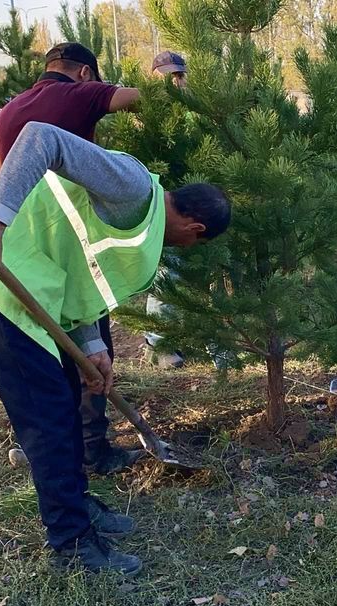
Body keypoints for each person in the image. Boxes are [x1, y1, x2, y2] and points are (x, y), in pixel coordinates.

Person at [0, 121, 231, 575]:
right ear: (195, 229)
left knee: (64, 399)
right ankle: (71, 543)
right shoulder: (133, 186)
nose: (186, 247)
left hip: (36, 283)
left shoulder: (141, 216)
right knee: (46, 412)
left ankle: (78, 503)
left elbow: (83, 267)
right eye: (194, 243)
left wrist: (92, 345)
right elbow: (41, 137)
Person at [0, 42, 143, 474]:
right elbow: (140, 98)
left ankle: (46, 446)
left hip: (21, 246)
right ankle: (95, 447)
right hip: (71, 240)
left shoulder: (6, 112)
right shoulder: (80, 93)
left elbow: (1, 178)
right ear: (83, 73)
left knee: (42, 350)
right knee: (93, 346)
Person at [143, 50, 190, 368]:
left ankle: (214, 343)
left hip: (193, 204)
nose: (174, 82)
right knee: (167, 273)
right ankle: (158, 345)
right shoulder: (142, 114)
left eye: (179, 75)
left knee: (207, 275)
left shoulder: (195, 114)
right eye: (168, 76)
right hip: (161, 207)